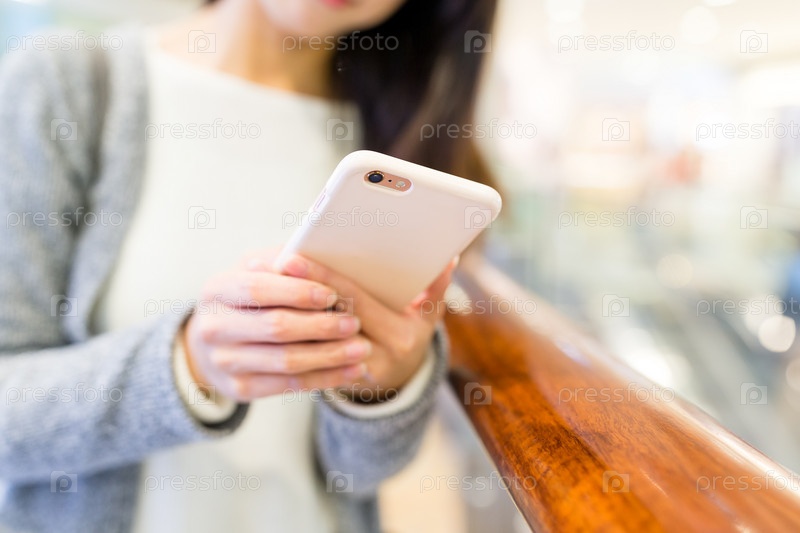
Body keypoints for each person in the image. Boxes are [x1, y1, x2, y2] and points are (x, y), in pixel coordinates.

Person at [0, 0, 497, 531]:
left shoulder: (402, 139)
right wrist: (187, 366)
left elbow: (358, 478)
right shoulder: (70, 85)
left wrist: (382, 390)